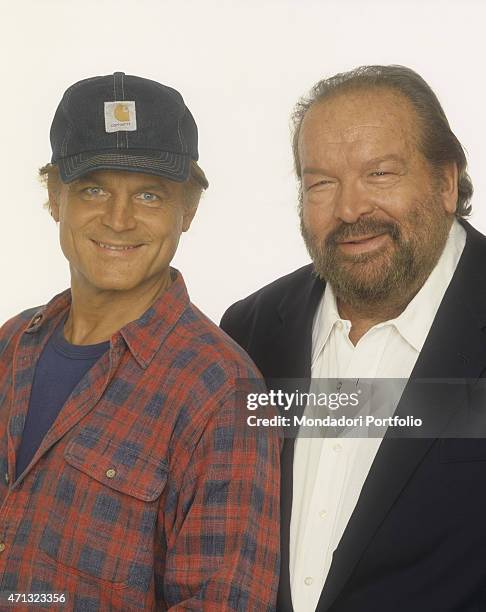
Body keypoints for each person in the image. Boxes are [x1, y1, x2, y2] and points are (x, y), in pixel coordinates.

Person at [0, 72, 280, 611]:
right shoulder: (12, 345)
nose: (119, 219)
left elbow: (223, 603)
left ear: (188, 210)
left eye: (149, 194)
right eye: (93, 189)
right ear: (55, 198)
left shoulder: (224, 393)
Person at [221, 65, 486, 611]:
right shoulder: (248, 332)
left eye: (380, 173)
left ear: (445, 182)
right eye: (320, 182)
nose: (349, 209)